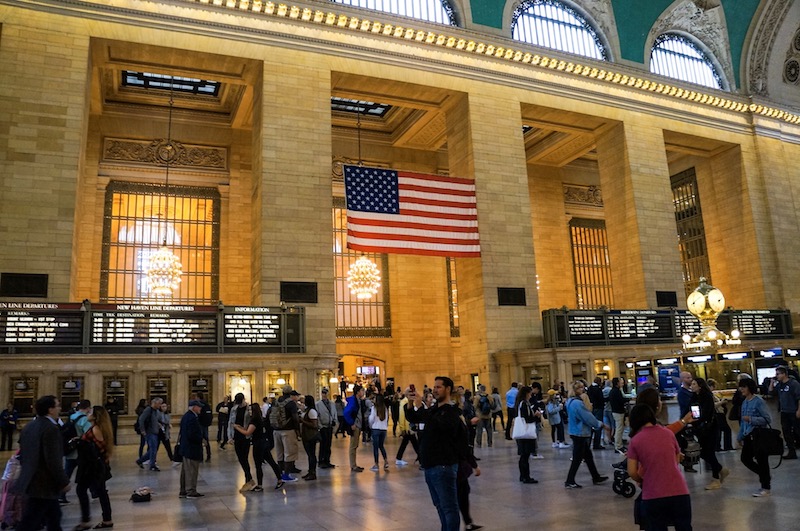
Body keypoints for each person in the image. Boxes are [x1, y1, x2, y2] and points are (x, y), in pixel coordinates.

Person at [406, 377, 470, 531]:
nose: (435, 390)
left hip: (443, 466)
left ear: (448, 389)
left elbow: (439, 426)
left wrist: (420, 405)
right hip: (431, 466)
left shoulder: (452, 411)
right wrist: (410, 402)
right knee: (440, 506)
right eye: (434, 387)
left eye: (439, 387)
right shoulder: (435, 410)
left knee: (449, 508)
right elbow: (414, 417)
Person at [626, 404, 692, 531]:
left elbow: (632, 471)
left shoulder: (635, 441)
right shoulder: (668, 433)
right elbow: (677, 457)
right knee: (684, 526)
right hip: (679, 491)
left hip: (653, 494)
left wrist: (643, 479)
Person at [13, 395, 70, 531]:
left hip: (32, 480)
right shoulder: (51, 428)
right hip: (44, 484)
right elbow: (53, 460)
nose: (60, 408)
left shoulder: (30, 426)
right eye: (57, 406)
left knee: (54, 517)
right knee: (30, 521)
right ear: (50, 409)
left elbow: (23, 453)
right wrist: (63, 481)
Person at [73, 406, 114, 530]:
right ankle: (107, 519)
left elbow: (96, 449)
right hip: (97, 466)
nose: (88, 413)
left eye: (90, 412)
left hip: (91, 467)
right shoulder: (99, 428)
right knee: (101, 492)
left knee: (82, 490)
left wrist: (81, 443)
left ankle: (86, 520)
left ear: (96, 416)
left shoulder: (96, 429)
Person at [564, 380, 609, 489]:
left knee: (588, 456)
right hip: (580, 433)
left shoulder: (569, 401)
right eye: (580, 388)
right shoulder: (578, 403)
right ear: (576, 390)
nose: (583, 390)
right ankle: (569, 481)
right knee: (577, 458)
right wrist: (600, 424)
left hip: (575, 431)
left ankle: (595, 476)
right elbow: (587, 417)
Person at [234, 402, 285, 491]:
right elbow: (248, 429)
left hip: (258, 444)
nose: (249, 411)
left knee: (258, 465)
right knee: (271, 462)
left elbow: (248, 432)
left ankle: (260, 485)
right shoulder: (260, 419)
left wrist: (237, 428)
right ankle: (280, 479)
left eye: (250, 410)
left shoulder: (254, 420)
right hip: (264, 443)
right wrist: (241, 427)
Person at [690, 378, 728, 490]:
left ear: (700, 386)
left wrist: (697, 420)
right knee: (703, 453)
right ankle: (720, 470)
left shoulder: (706, 396)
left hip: (710, 428)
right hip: (700, 428)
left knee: (709, 452)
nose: (692, 386)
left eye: (694, 384)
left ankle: (716, 478)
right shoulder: (694, 397)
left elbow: (706, 413)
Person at [737, 377, 772, 497]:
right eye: (740, 387)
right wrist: (740, 436)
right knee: (745, 458)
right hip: (748, 435)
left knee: (762, 460)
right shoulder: (744, 402)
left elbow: (767, 419)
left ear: (750, 387)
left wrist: (752, 419)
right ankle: (764, 475)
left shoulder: (758, 401)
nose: (742, 389)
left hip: (758, 435)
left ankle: (765, 486)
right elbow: (742, 422)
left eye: (744, 387)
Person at [59, 399, 92, 505]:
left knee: (67, 473)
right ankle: (94, 492)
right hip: (81, 451)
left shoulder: (72, 416)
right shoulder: (85, 419)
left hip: (70, 449)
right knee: (87, 472)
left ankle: (61, 495)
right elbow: (89, 434)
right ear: (88, 408)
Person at [768, 366, 800, 459]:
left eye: (778, 374)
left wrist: (799, 410)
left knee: (798, 431)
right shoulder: (780, 385)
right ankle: (791, 452)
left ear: (784, 374)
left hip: (793, 411)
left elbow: (799, 397)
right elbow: (771, 393)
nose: (776, 376)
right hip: (784, 412)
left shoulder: (794, 384)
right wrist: (771, 383)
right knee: (787, 432)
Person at [270, 385, 302, 479]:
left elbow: (270, 413)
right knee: (290, 453)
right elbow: (295, 418)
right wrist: (298, 431)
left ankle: (280, 474)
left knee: (279, 453)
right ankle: (286, 475)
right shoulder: (291, 403)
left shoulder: (275, 401)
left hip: (276, 430)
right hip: (288, 430)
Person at [229, 393, 255, 492]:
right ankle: (249, 479)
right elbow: (230, 423)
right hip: (237, 436)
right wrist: (230, 436)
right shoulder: (234, 409)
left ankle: (248, 479)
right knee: (241, 458)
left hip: (246, 436)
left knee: (244, 458)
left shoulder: (249, 409)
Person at [179, 400, 205, 499]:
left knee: (186, 471)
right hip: (191, 448)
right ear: (194, 407)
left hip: (186, 448)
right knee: (191, 471)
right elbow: (191, 434)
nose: (200, 408)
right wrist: (200, 440)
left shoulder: (186, 416)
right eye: (199, 407)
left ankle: (183, 490)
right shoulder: (191, 418)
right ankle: (191, 491)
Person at [514, 386, 540, 484]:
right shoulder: (524, 404)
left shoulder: (519, 403)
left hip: (521, 433)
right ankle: (526, 476)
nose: (530, 395)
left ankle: (522, 475)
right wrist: (536, 416)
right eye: (529, 393)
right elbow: (527, 419)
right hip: (525, 433)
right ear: (526, 394)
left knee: (523, 456)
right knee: (525, 456)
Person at [343, 384, 367, 472]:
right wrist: (351, 423)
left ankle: (354, 464)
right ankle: (353, 465)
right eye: (362, 391)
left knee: (355, 445)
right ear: (358, 392)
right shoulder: (353, 401)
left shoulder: (358, 400)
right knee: (353, 446)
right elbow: (346, 413)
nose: (363, 392)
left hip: (358, 425)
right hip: (355, 425)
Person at [135, 397, 163, 471]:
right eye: (159, 403)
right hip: (150, 432)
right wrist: (142, 430)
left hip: (155, 432)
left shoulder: (156, 411)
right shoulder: (148, 410)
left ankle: (140, 461)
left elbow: (155, 419)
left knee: (152, 450)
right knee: (153, 449)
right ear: (154, 403)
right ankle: (152, 465)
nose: (160, 405)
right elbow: (141, 419)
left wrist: (158, 424)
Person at [677, 371, 697, 473]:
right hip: (686, 420)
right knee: (687, 444)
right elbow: (689, 406)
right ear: (682, 379)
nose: (690, 379)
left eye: (690, 377)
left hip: (692, 420)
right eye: (687, 378)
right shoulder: (682, 393)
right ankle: (687, 464)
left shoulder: (690, 391)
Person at [706, 379, 733, 451]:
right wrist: (722, 402)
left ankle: (718, 446)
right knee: (725, 430)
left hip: (718, 414)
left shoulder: (710, 394)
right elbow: (713, 405)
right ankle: (726, 446)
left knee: (719, 430)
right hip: (718, 414)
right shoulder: (709, 395)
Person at [395, 387, 419, 466]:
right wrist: (403, 428)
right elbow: (402, 416)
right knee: (414, 443)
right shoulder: (404, 402)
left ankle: (399, 458)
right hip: (408, 427)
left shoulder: (411, 402)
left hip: (409, 427)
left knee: (408, 443)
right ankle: (421, 458)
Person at [315, 387, 337, 469]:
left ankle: (327, 460)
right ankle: (321, 461)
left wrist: (334, 421)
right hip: (323, 427)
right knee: (323, 444)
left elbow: (334, 413)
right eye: (323, 393)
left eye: (326, 393)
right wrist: (320, 426)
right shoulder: (318, 404)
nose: (325, 394)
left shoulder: (331, 403)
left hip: (330, 426)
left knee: (328, 444)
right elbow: (317, 416)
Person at [299, 395, 319, 481]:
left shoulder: (312, 411)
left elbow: (314, 425)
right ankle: (310, 471)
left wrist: (303, 421)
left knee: (311, 455)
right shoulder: (307, 410)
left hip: (311, 436)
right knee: (309, 454)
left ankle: (312, 472)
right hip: (306, 435)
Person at [368, 394, 390, 471]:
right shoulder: (385, 408)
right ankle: (386, 461)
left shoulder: (374, 408)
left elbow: (371, 419)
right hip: (383, 429)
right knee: (381, 446)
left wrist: (371, 426)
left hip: (376, 429)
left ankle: (376, 464)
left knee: (375, 447)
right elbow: (387, 419)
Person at [609, 377, 628, 453]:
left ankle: (619, 445)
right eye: (621, 382)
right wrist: (628, 399)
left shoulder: (613, 391)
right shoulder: (616, 391)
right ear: (617, 383)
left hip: (616, 411)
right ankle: (618, 446)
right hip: (618, 412)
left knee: (619, 429)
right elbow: (621, 401)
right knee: (619, 430)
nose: (622, 383)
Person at [193, 392, 213, 462]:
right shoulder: (207, 404)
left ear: (198, 397)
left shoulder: (199, 404)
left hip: (200, 424)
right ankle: (208, 455)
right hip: (205, 425)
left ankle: (200, 457)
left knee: (200, 440)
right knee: (206, 439)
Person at [587, 377, 606, 450]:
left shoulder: (590, 388)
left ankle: (588, 443)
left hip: (591, 408)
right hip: (598, 408)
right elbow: (601, 399)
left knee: (591, 426)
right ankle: (596, 444)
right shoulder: (598, 389)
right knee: (598, 426)